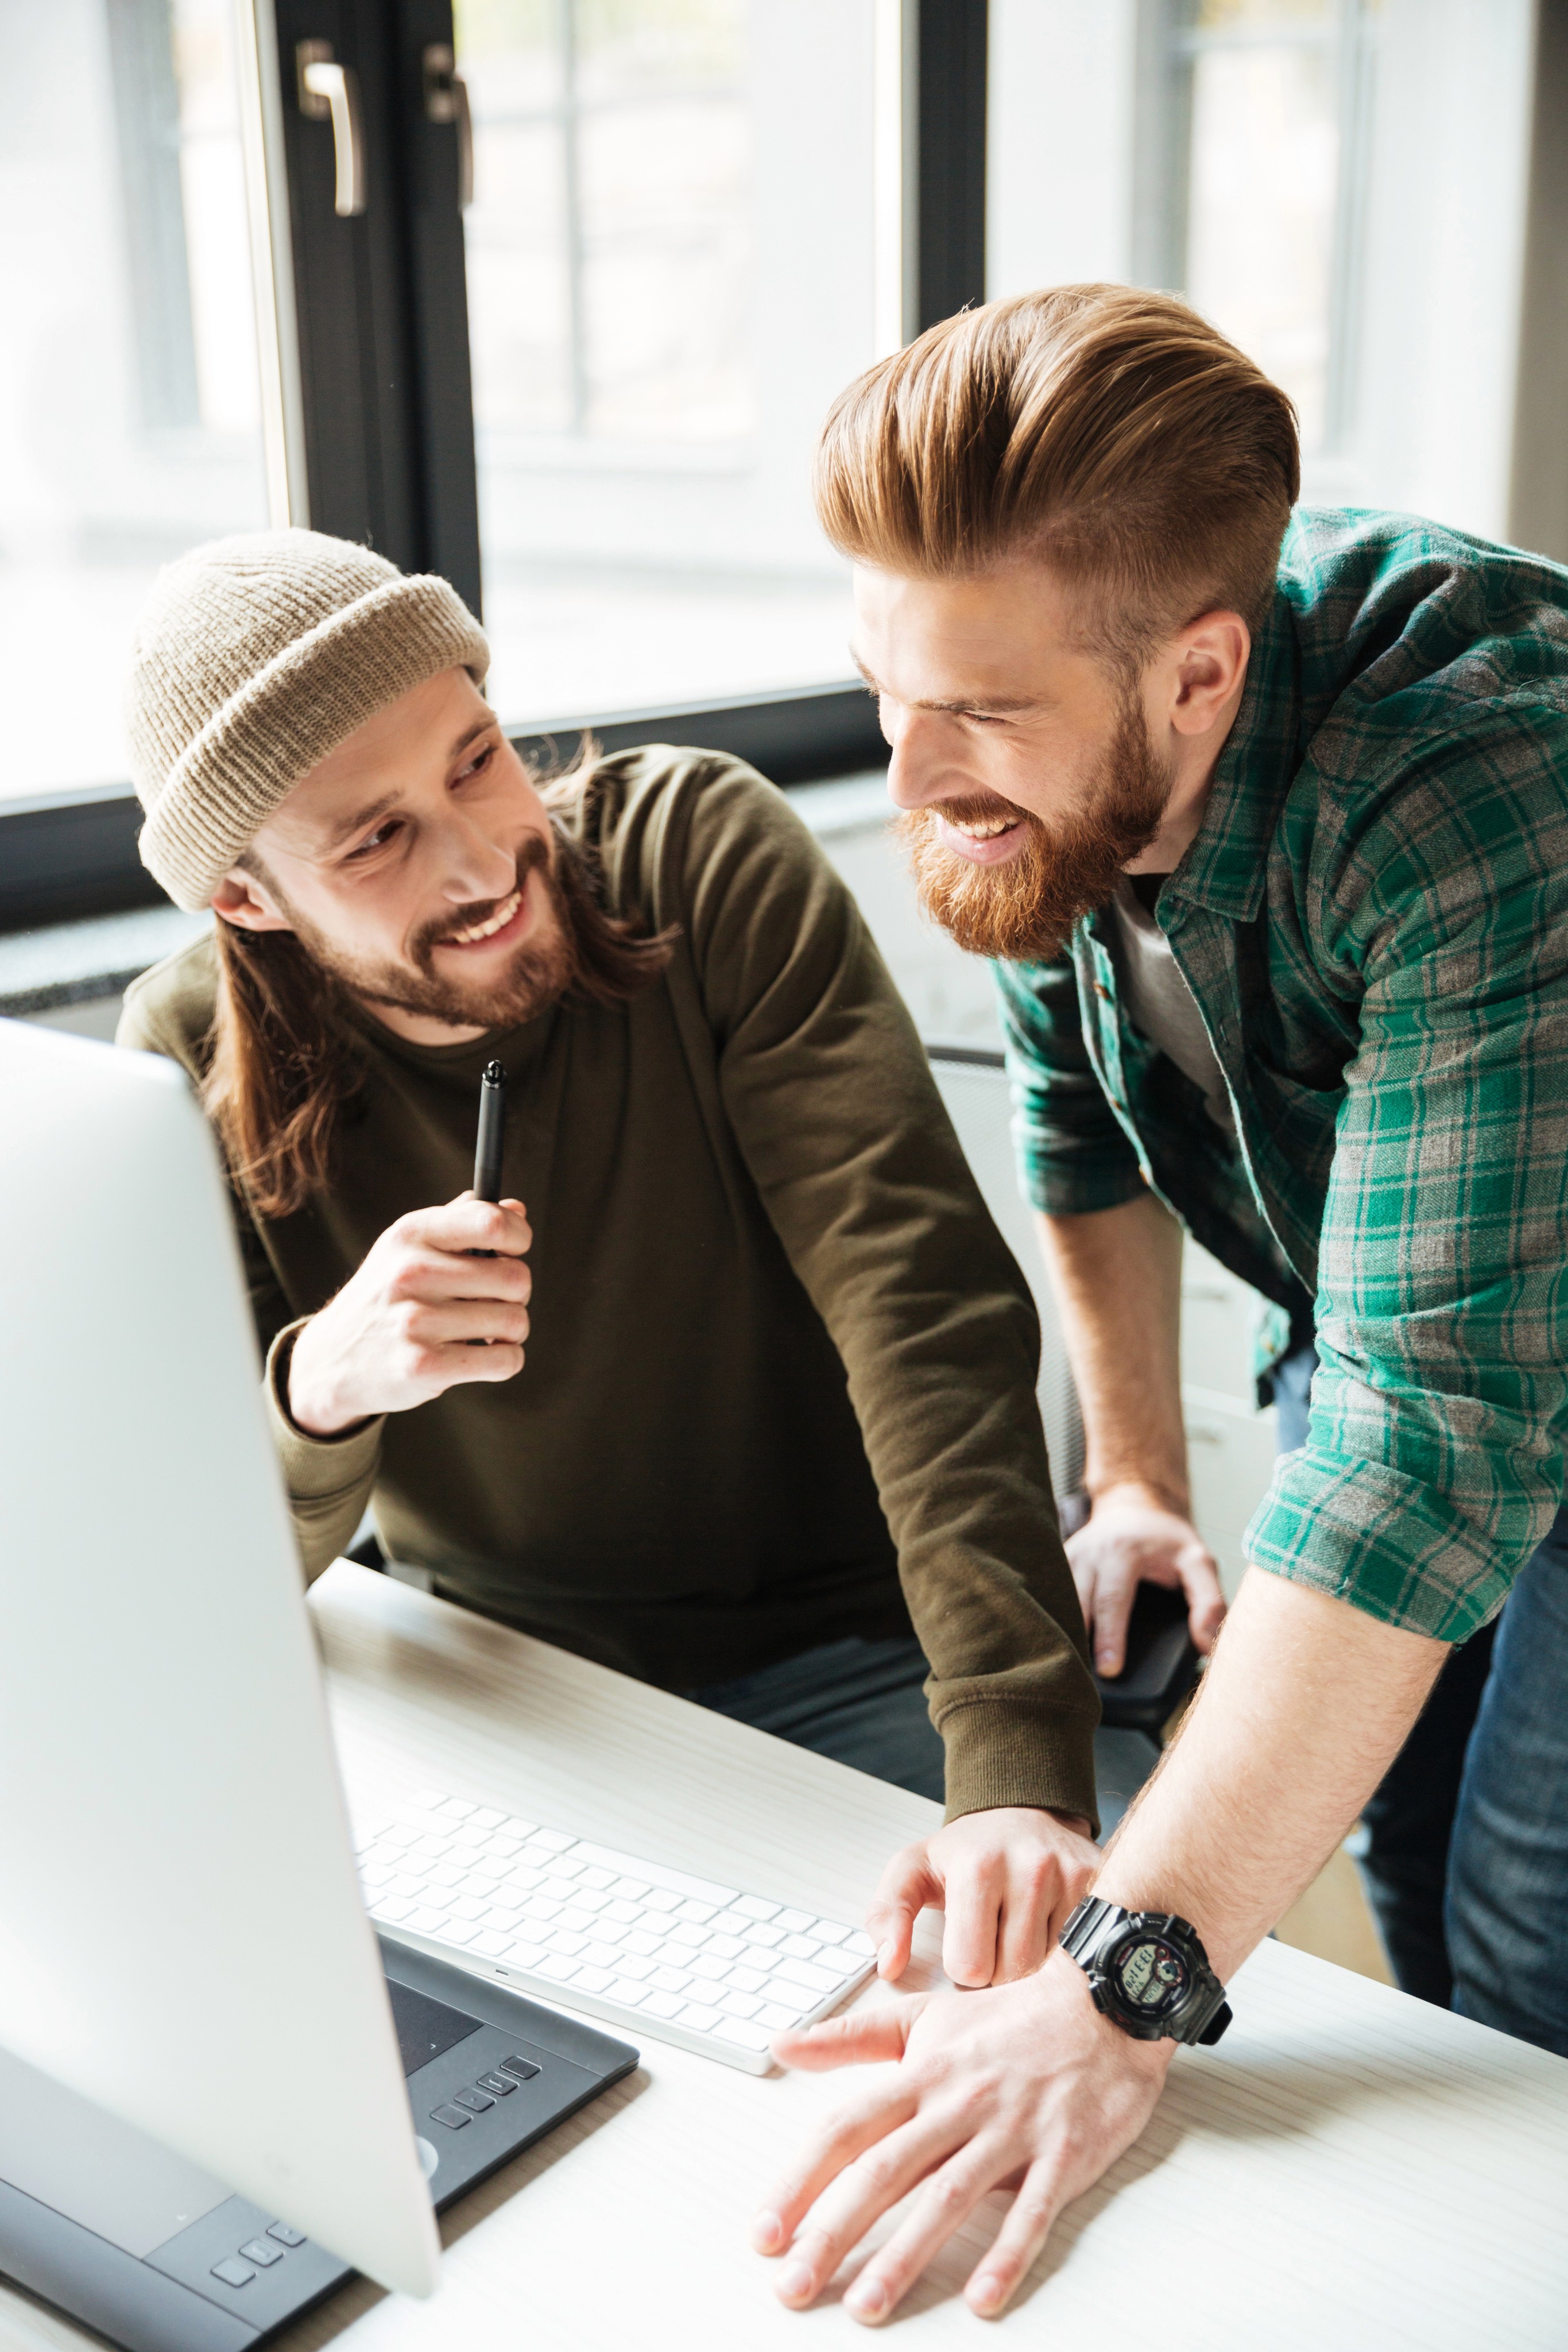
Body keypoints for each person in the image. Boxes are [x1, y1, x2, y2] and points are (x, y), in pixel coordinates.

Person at [753, 284, 1568, 2322]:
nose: (909, 768)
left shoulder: (1480, 775)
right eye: (881, 687)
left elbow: (1423, 1442)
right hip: (1390, 1319)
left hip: (1491, 1360)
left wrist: (1120, 1983)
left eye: (977, 715)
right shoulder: (1046, 753)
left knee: (1528, 1910)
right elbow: (1081, 1115)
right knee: (1379, 1843)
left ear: (1203, 673)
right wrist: (1130, 1473)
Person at [117, 527, 1104, 1993]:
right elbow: (217, 1566)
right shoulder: (186, 1052)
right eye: (375, 836)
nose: (480, 858)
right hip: (500, 1686)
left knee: (1079, 2021)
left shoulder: (697, 852)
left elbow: (919, 1299)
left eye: (474, 757)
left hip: (860, 1645)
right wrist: (321, 1387)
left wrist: (1016, 1757)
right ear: (248, 898)